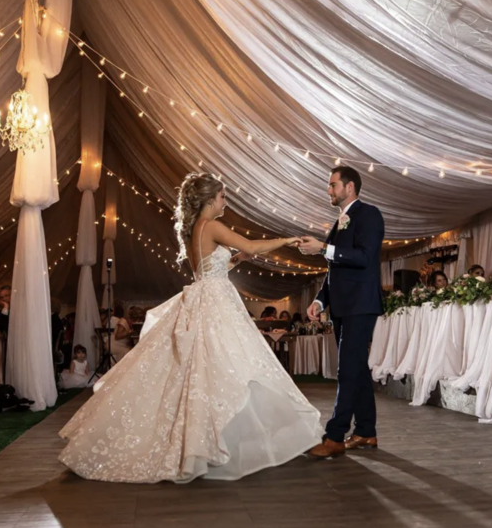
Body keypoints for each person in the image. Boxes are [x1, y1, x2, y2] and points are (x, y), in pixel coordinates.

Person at [59, 172, 319, 483]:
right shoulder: (212, 225)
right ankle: (216, 440)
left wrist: (235, 260)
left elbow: (211, 267)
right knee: (229, 364)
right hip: (216, 301)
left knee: (208, 367)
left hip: (205, 295)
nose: (225, 202)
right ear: (209, 199)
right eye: (222, 196)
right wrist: (288, 240)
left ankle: (209, 439)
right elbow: (252, 246)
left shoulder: (197, 229)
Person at [297, 165, 386, 459]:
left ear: (349, 187)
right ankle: (366, 431)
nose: (329, 190)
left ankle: (334, 436)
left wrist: (324, 248)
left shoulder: (369, 214)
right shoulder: (339, 222)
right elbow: (335, 269)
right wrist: (320, 300)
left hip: (361, 304)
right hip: (343, 306)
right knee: (356, 368)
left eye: (333, 184)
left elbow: (364, 258)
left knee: (347, 369)